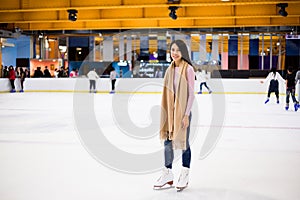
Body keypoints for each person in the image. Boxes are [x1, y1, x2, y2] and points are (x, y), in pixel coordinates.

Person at [153, 40, 195, 191]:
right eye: (172, 50)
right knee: (167, 142)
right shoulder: (169, 70)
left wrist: (186, 115)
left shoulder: (188, 69)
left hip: (183, 113)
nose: (175, 53)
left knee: (184, 143)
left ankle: (185, 173)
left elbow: (191, 94)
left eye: (178, 50)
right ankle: (168, 173)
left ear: (183, 52)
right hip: (170, 112)